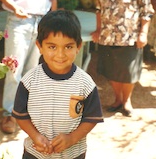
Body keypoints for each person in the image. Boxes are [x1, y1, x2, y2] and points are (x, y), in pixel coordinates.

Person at [12, 10, 104, 159]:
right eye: (52, 47)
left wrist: (72, 138)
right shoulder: (29, 81)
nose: (60, 54)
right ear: (39, 46)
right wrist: (35, 136)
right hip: (36, 153)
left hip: (73, 154)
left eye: (68, 47)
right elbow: (21, 115)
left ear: (78, 46)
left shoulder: (85, 83)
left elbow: (91, 118)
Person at [0, 0, 60, 133]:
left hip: (42, 23)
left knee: (32, 71)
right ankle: (9, 114)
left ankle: (24, 114)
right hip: (19, 22)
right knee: (13, 69)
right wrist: (16, 8)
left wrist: (54, 22)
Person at [91, 0, 154, 117]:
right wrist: (98, 30)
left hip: (129, 36)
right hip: (107, 35)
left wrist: (143, 33)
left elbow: (146, 10)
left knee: (128, 71)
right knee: (111, 69)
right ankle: (117, 98)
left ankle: (126, 101)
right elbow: (99, 9)